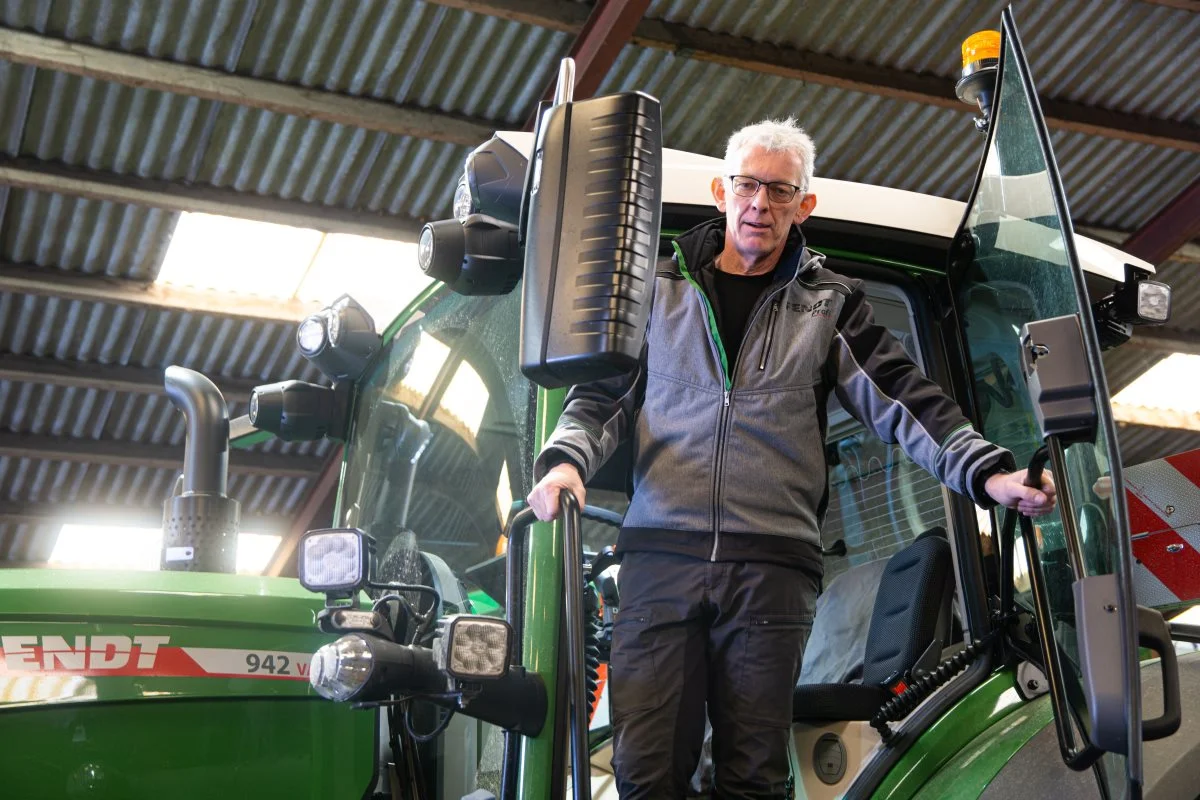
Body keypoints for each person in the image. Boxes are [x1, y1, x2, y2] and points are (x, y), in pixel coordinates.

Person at [527, 118, 1056, 798]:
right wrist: (565, 463)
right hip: (662, 561)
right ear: (722, 190)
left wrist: (989, 472)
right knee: (644, 769)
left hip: (770, 570)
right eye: (748, 185)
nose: (760, 204)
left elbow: (905, 399)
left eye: (781, 191)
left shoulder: (829, 306)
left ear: (804, 206)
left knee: (753, 774)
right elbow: (601, 396)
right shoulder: (656, 292)